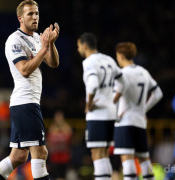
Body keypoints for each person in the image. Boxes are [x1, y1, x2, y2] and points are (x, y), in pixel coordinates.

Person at [0, 0, 60, 179]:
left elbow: (53, 63)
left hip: (27, 103)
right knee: (40, 152)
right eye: (30, 14)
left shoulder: (36, 38)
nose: (35, 17)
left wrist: (50, 43)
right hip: (25, 102)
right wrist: (44, 48)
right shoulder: (15, 39)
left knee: (19, 156)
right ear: (20, 18)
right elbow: (25, 70)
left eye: (36, 13)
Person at [113, 42, 163, 180]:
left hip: (125, 121)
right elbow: (158, 93)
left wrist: (116, 115)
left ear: (121, 56)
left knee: (127, 158)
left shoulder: (121, 74)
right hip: (140, 121)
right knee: (144, 158)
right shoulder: (143, 72)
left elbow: (114, 98)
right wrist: (144, 109)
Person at [77, 32, 121, 180]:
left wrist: (89, 103)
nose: (78, 50)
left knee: (96, 153)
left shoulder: (89, 62)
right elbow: (123, 82)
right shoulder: (109, 60)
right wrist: (113, 99)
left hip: (98, 114)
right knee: (104, 152)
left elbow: (93, 84)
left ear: (84, 45)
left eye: (78, 46)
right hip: (111, 112)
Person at [47, 110, 72, 180]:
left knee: (63, 176)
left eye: (60, 117)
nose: (59, 119)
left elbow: (70, 139)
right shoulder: (51, 128)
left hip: (64, 157)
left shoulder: (67, 127)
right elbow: (49, 143)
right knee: (56, 176)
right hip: (55, 158)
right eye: (57, 117)